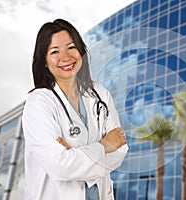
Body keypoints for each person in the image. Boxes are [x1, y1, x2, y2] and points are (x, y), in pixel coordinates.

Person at [22, 19, 128, 200]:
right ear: (45, 62)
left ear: (81, 51)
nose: (65, 57)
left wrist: (74, 154)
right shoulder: (38, 102)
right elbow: (59, 165)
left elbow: (120, 149)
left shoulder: (100, 94)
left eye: (71, 47)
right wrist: (104, 146)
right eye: (55, 51)